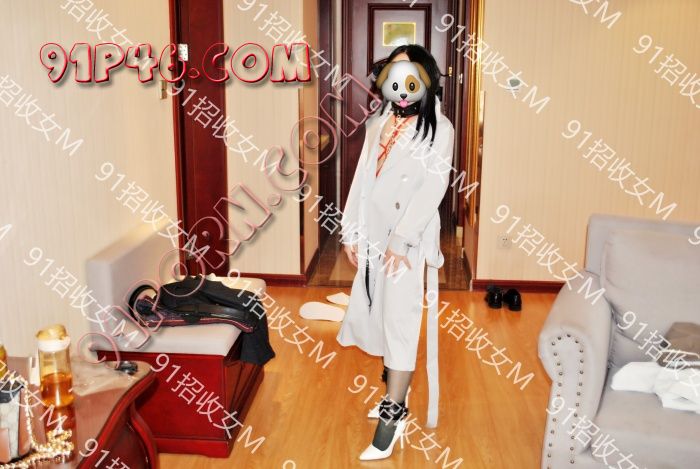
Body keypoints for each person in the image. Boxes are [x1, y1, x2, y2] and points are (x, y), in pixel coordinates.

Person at [336, 44, 455, 461]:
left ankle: (394, 414)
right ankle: (394, 394)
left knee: (401, 321)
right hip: (373, 232)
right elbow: (361, 180)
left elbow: (433, 188)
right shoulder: (380, 120)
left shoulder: (440, 129)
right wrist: (350, 231)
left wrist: (402, 240)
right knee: (379, 313)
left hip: (405, 242)